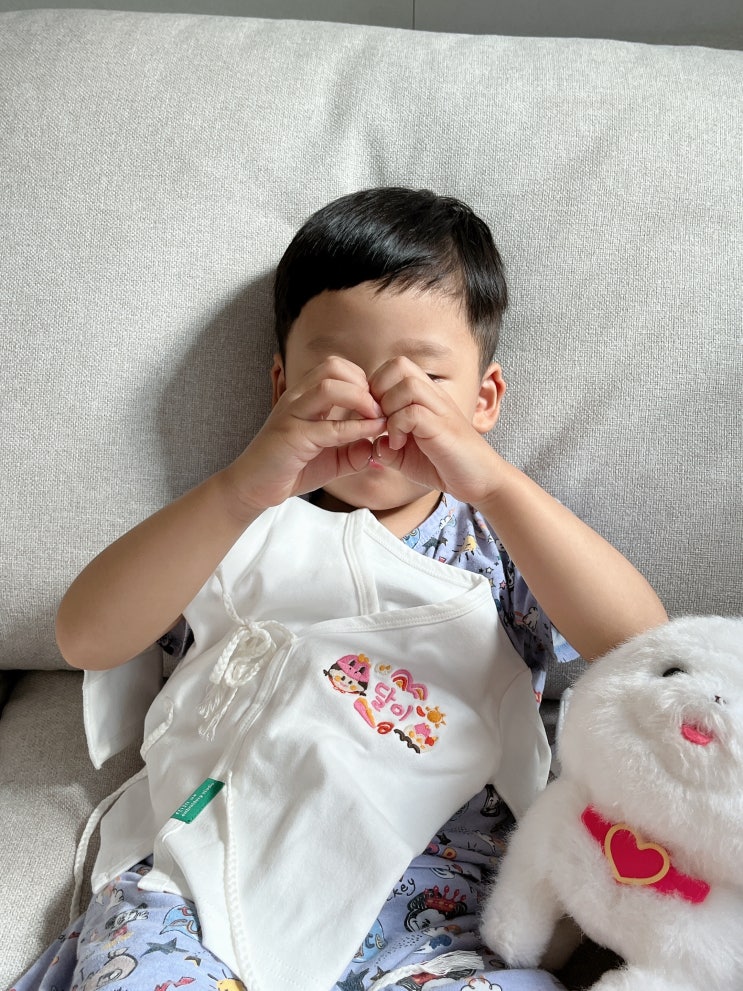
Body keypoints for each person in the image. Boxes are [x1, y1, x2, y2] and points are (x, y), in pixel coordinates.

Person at [16, 188, 667, 991]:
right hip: (208, 879)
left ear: (483, 400)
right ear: (281, 385)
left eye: (425, 377)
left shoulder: (497, 538)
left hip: (432, 906)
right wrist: (240, 485)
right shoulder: (234, 521)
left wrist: (495, 484)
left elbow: (647, 650)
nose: (380, 405)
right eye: (339, 374)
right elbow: (86, 636)